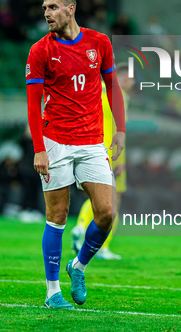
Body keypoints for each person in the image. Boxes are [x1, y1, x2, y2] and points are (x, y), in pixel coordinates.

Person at [26, 0, 125, 309]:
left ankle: (78, 266)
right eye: (44, 9)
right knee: (56, 215)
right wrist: (39, 148)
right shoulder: (40, 50)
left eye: (52, 7)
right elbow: (33, 104)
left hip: (92, 141)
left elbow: (112, 86)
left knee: (107, 213)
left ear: (70, 9)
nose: (46, 14)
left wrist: (120, 132)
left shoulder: (100, 43)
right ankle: (52, 292)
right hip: (55, 142)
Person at [71, 63, 134, 260]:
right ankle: (103, 247)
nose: (133, 83)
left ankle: (81, 225)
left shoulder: (96, 89)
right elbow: (118, 130)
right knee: (113, 201)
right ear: (124, 79)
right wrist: (121, 159)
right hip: (112, 152)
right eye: (131, 79)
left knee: (96, 198)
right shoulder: (120, 95)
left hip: (93, 147)